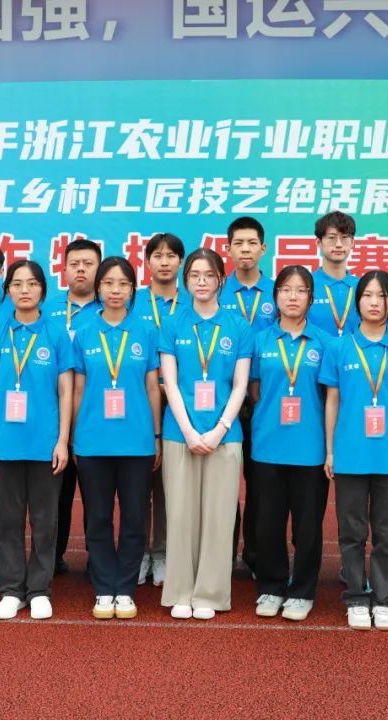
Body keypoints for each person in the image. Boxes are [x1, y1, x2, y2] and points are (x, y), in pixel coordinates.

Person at [159, 248, 253, 620]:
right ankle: (181, 590)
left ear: (220, 281)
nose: (201, 281)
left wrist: (219, 430)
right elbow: (170, 383)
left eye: (209, 275)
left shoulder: (238, 326)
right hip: (179, 433)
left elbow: (240, 385)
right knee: (180, 515)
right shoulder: (173, 324)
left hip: (225, 437)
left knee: (218, 517)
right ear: (186, 281)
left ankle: (211, 593)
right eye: (195, 275)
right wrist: (188, 430)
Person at [0, 260, 74, 620]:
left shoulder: (56, 333)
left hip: (45, 443)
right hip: (5, 443)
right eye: (17, 284)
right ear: (8, 291)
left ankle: (39, 589)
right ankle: (11, 589)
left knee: (45, 521)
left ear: (42, 291)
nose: (24, 290)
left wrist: (62, 440)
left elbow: (66, 391)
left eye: (31, 283)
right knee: (8, 519)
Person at [321, 270, 388, 630]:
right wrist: (330, 450)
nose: (375, 303)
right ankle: (356, 596)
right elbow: (332, 401)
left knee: (387, 532)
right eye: (367, 295)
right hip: (350, 453)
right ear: (357, 301)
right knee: (352, 531)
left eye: (382, 296)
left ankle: (384, 598)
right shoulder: (339, 347)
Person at [72, 257, 162, 619]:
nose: (115, 290)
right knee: (97, 517)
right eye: (108, 283)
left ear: (132, 289)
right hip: (93, 441)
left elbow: (152, 387)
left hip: (137, 441)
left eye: (123, 284)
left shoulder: (145, 331)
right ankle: (102, 587)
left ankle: (124, 587)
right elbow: (79, 389)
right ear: (98, 288)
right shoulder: (84, 332)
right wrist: (74, 436)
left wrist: (156, 435)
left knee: (134, 517)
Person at [249, 266, 331, 623]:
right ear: (276, 296)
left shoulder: (324, 342)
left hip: (310, 447)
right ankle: (271, 585)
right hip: (268, 444)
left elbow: (330, 396)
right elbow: (254, 390)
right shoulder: (260, 341)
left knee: (308, 525)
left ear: (311, 298)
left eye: (300, 290)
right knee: (268, 521)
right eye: (285, 289)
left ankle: (302, 591)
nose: (292, 296)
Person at [219, 216, 275, 581]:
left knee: (261, 484)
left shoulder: (278, 291)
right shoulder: (217, 291)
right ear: (228, 249)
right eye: (238, 243)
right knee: (223, 483)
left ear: (263, 248)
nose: (245, 250)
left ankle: (255, 554)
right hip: (222, 401)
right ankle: (223, 553)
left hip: (266, 400)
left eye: (252, 243)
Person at [133, 232, 188, 588]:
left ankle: (163, 551)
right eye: (158, 255)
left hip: (182, 405)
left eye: (171, 256)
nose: (164, 262)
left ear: (180, 262)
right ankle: (139, 551)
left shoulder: (191, 303)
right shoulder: (134, 301)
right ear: (147, 261)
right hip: (140, 401)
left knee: (168, 485)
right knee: (140, 483)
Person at [47, 238, 102, 575]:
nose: (81, 269)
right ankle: (52, 556)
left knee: (97, 496)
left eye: (88, 263)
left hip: (97, 416)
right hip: (53, 414)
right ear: (64, 268)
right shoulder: (47, 308)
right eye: (74, 264)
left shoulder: (111, 308)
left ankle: (98, 558)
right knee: (58, 493)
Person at [309, 211, 360, 338]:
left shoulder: (363, 287)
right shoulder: (306, 285)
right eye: (332, 238)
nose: (338, 244)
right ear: (318, 242)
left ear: (352, 242)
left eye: (344, 237)